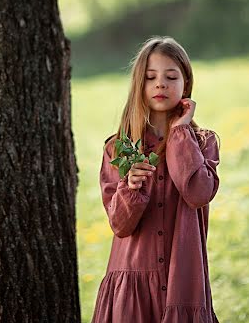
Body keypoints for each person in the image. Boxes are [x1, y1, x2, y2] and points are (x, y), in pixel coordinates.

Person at [91, 36, 221, 323]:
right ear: (140, 85)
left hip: (184, 284)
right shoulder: (119, 148)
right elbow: (120, 226)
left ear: (185, 84)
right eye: (151, 77)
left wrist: (180, 133)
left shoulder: (204, 143)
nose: (160, 83)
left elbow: (198, 193)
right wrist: (131, 187)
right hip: (132, 286)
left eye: (171, 76)